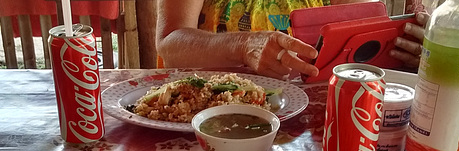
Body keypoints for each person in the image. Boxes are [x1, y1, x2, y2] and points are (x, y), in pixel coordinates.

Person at [156, 0, 429, 80]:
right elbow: (171, 43)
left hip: (308, 126)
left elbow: (358, 40)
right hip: (205, 112)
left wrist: (404, 50)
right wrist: (242, 46)